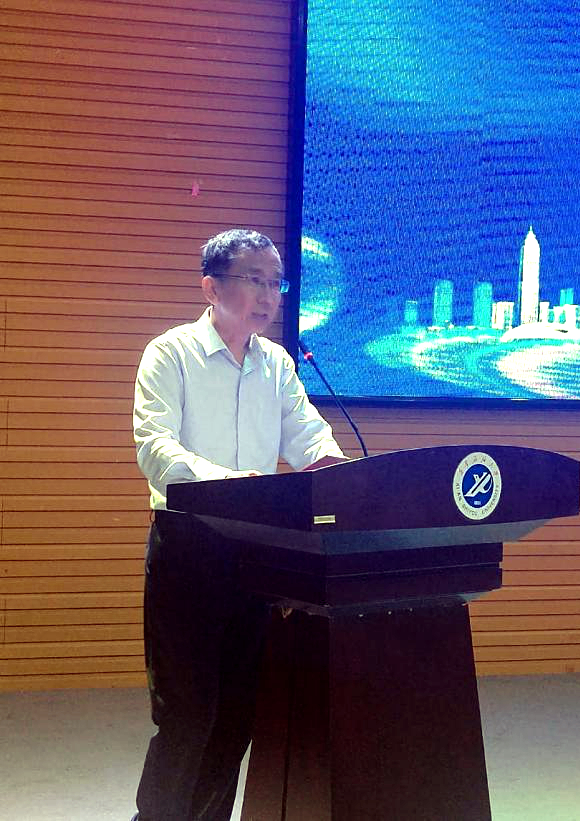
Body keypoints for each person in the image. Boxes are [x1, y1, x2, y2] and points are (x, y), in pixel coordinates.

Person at [131, 228, 346, 821]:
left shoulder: (277, 364)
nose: (269, 295)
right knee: (187, 713)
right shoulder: (169, 354)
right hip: (188, 551)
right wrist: (231, 486)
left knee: (237, 714)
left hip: (257, 557)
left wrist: (348, 479)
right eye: (255, 280)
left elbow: (309, 438)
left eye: (276, 283)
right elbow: (155, 448)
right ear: (211, 287)